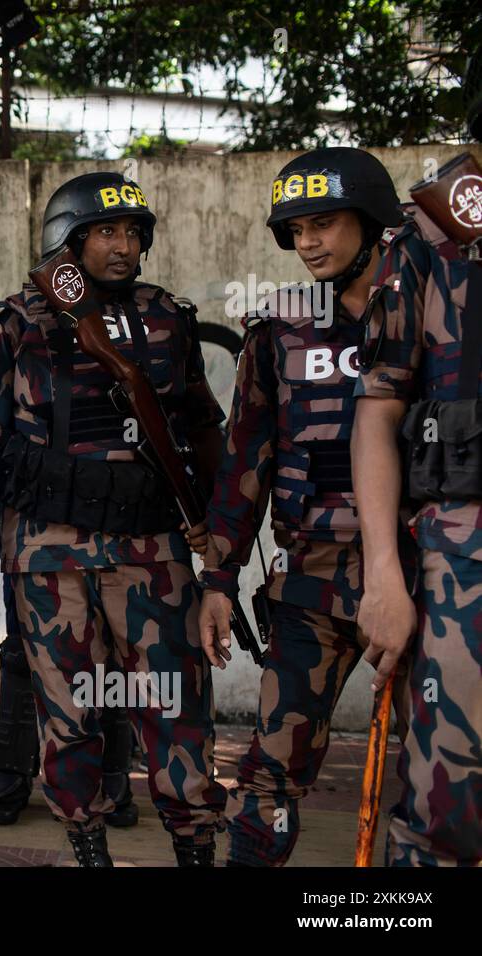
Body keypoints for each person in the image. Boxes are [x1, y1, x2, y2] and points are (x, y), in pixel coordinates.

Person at [0, 171, 227, 866]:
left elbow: (203, 431)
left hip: (151, 553)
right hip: (47, 555)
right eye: (107, 231)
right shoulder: (16, 323)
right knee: (68, 722)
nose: (124, 245)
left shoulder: (167, 318)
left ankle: (196, 848)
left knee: (176, 714)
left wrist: (217, 535)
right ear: (68, 242)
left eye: (134, 232)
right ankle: (87, 848)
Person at [199, 148, 411, 866]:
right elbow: (243, 468)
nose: (309, 242)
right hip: (312, 583)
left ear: (372, 219)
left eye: (324, 222)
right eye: (296, 230)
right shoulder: (280, 331)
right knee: (267, 778)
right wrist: (219, 580)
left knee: (442, 778)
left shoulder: (436, 313)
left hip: (421, 579)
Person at [352, 148, 482, 866]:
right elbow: (377, 409)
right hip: (462, 553)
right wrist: (383, 576)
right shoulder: (430, 236)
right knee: (446, 805)